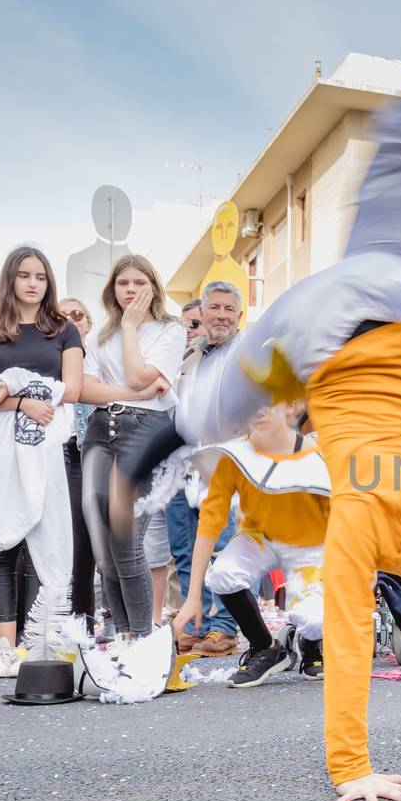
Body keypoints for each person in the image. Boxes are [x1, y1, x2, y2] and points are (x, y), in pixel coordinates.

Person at [149, 61, 401, 801]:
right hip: (323, 339)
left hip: (393, 310)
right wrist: (351, 767)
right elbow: (344, 632)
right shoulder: (371, 514)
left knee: (391, 197)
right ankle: (151, 441)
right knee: (205, 413)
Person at [0, 247, 82, 676]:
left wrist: (21, 396)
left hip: (51, 449)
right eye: (24, 275)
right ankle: (3, 647)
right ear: (10, 280)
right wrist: (21, 404)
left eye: (40, 276)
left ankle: (39, 644)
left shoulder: (64, 330)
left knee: (42, 540)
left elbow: (71, 388)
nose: (33, 283)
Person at [176, 402, 329, 687]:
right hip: (258, 538)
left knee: (312, 617)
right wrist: (193, 597)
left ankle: (311, 643)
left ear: (292, 406)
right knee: (222, 574)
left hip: (308, 543)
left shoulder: (314, 456)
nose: (257, 410)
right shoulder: (235, 456)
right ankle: (266, 647)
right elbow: (211, 519)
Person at [79, 255, 183, 640]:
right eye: (123, 283)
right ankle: (123, 635)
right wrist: (130, 392)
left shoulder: (169, 331)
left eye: (139, 283)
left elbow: (144, 374)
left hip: (144, 430)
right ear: (112, 289)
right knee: (103, 544)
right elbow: (86, 391)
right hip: (100, 429)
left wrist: (129, 328)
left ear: (153, 287)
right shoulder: (96, 336)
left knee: (126, 539)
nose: (131, 290)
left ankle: (141, 636)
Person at [167, 280, 243, 653]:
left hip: (223, 462)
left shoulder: (246, 355)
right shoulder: (188, 355)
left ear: (239, 316)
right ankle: (196, 624)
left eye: (229, 309)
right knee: (183, 548)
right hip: (181, 462)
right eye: (215, 308)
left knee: (222, 546)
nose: (222, 315)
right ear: (202, 312)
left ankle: (226, 629)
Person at [58, 297, 98, 623]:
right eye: (63, 315)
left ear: (89, 323)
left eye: (77, 314)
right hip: (57, 451)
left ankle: (82, 619)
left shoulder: (97, 359)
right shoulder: (48, 359)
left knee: (85, 540)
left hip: (88, 452)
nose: (71, 319)